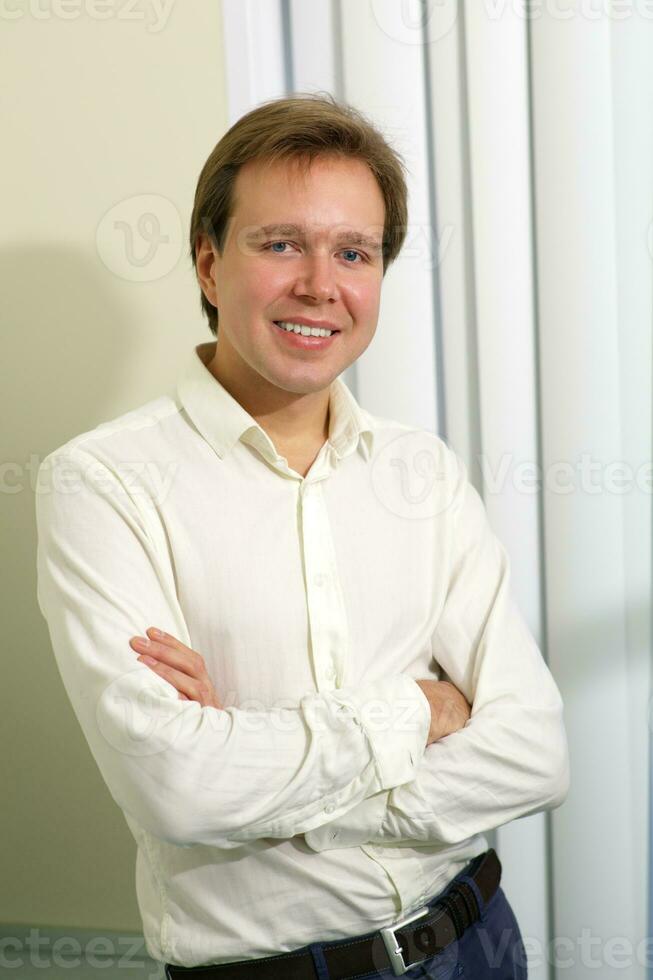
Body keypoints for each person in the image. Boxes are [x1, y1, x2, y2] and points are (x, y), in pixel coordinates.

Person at [35, 93, 569, 979]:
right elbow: (177, 787)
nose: (320, 284)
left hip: (479, 943)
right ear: (209, 265)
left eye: (353, 252)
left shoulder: (421, 473)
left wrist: (265, 770)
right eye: (280, 243)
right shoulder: (104, 482)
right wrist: (419, 710)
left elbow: (534, 755)